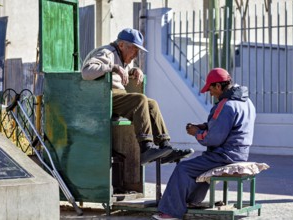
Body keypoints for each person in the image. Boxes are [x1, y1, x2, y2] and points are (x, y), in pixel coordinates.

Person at [152, 68, 256, 220]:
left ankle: (171, 212)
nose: (210, 93)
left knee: (183, 168)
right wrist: (204, 126)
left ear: (219, 86)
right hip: (240, 153)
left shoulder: (226, 105)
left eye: (211, 89)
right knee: (199, 165)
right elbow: (232, 127)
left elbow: (213, 139)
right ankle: (192, 202)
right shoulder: (246, 102)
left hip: (224, 155)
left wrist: (196, 132)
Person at [81, 28, 194, 165]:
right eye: (134, 49)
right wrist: (113, 67)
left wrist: (134, 70)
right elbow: (86, 72)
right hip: (102, 98)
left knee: (151, 103)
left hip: (115, 97)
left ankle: (165, 146)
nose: (136, 54)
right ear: (121, 45)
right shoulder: (107, 52)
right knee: (139, 99)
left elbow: (124, 71)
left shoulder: (122, 56)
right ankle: (146, 148)